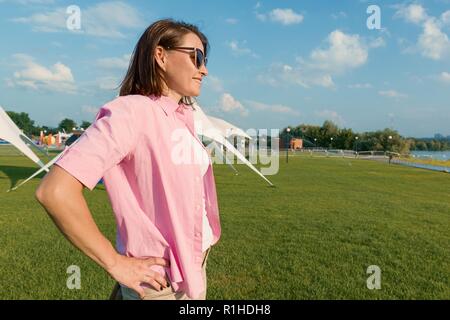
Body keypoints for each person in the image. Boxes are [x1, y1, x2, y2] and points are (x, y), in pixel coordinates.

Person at [35, 19, 222, 300]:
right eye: (196, 57)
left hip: (193, 265)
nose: (204, 70)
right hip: (162, 281)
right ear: (160, 55)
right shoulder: (130, 113)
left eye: (204, 60)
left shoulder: (181, 117)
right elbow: (55, 191)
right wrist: (115, 262)